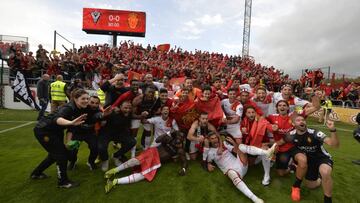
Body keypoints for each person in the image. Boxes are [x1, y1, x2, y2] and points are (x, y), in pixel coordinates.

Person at [30, 89, 108, 188]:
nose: (86, 101)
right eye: (83, 98)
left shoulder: (81, 108)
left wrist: (68, 141)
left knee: (54, 155)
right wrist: (70, 122)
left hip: (56, 131)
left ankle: (36, 173)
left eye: (87, 98)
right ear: (75, 98)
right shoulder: (68, 108)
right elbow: (57, 119)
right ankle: (63, 182)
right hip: (44, 130)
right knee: (61, 155)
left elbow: (71, 128)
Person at [104, 131, 187, 193]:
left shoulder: (180, 150)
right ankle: (113, 171)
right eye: (178, 137)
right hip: (152, 152)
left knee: (144, 175)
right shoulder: (169, 139)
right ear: (176, 136)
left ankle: (115, 182)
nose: (179, 140)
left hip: (156, 162)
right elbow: (157, 140)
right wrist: (167, 133)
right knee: (136, 161)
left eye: (181, 138)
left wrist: (183, 169)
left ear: (183, 140)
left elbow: (184, 161)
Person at [205, 133, 276, 203]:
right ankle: (255, 199)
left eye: (215, 138)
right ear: (209, 141)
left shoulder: (224, 144)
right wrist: (208, 164)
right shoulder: (210, 152)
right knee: (231, 173)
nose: (215, 140)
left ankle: (266, 152)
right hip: (234, 172)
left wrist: (234, 143)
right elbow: (206, 161)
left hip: (241, 164)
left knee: (241, 146)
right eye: (212, 139)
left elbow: (236, 151)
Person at [286, 114, 339, 202]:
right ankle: (319, 177)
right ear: (293, 124)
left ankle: (328, 199)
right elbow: (281, 142)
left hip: (322, 158)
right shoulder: (291, 135)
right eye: (298, 120)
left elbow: (334, 144)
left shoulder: (314, 133)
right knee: (311, 186)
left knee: (325, 172)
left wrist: (332, 130)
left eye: (303, 120)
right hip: (309, 162)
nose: (301, 121)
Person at [98, 101, 137, 171]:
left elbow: (127, 125)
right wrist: (103, 118)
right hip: (106, 133)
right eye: (125, 108)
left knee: (132, 142)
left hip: (119, 133)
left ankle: (116, 156)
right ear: (120, 107)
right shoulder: (113, 112)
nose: (127, 110)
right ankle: (105, 160)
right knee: (101, 147)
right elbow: (102, 118)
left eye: (129, 108)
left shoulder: (129, 114)